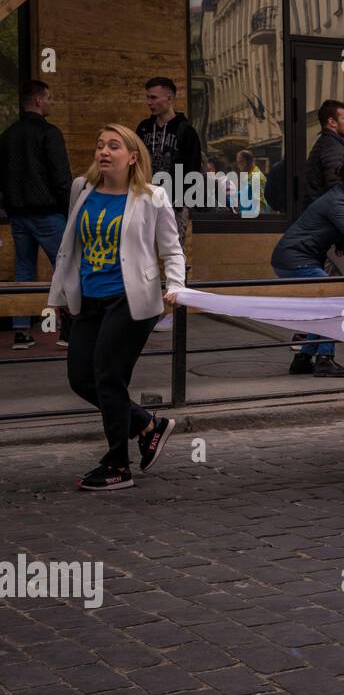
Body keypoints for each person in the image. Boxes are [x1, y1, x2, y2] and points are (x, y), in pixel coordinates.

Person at [46, 125, 185, 491]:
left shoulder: (152, 196)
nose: (103, 152)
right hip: (88, 299)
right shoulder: (82, 189)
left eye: (113, 146)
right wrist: (60, 296)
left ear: (133, 156)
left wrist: (177, 287)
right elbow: (69, 248)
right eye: (99, 145)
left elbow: (171, 248)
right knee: (81, 378)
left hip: (132, 300)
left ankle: (117, 466)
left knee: (108, 376)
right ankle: (146, 425)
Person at [271, 160, 344, 379]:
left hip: (298, 258)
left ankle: (304, 359)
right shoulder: (339, 203)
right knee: (334, 304)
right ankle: (324, 358)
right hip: (295, 260)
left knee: (326, 306)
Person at [1, 80, 72, 350]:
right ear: (39, 101)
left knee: (24, 270)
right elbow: (61, 177)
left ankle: (21, 332)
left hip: (18, 214)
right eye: (50, 98)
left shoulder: (7, 135)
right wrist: (70, 210)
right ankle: (68, 330)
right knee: (65, 267)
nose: (52, 102)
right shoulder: (49, 133)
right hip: (48, 212)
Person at [136, 76, 200, 331]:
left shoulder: (185, 131)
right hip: (144, 200)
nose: (149, 102)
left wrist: (182, 202)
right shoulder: (142, 128)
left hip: (174, 202)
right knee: (144, 254)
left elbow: (193, 170)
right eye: (147, 97)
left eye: (153, 97)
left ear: (169, 98)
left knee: (174, 253)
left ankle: (177, 309)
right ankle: (148, 309)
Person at [305, 100, 344, 204]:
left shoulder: (328, 143)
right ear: (332, 122)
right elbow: (335, 187)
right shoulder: (332, 147)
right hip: (327, 215)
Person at [234, 150, 267, 218]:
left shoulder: (256, 177)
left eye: (239, 162)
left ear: (247, 162)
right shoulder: (250, 175)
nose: (238, 166)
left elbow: (258, 204)